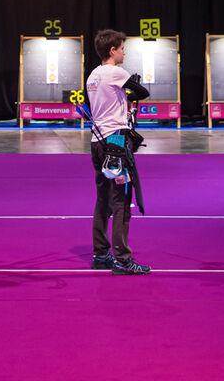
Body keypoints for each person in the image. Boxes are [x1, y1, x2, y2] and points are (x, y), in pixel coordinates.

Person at [86, 29, 151, 275]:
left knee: (103, 199)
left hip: (97, 141)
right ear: (112, 51)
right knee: (122, 201)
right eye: (122, 48)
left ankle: (100, 254)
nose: (124, 52)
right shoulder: (116, 72)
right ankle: (122, 260)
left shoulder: (93, 75)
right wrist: (130, 90)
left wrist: (125, 94)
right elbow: (144, 93)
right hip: (115, 140)